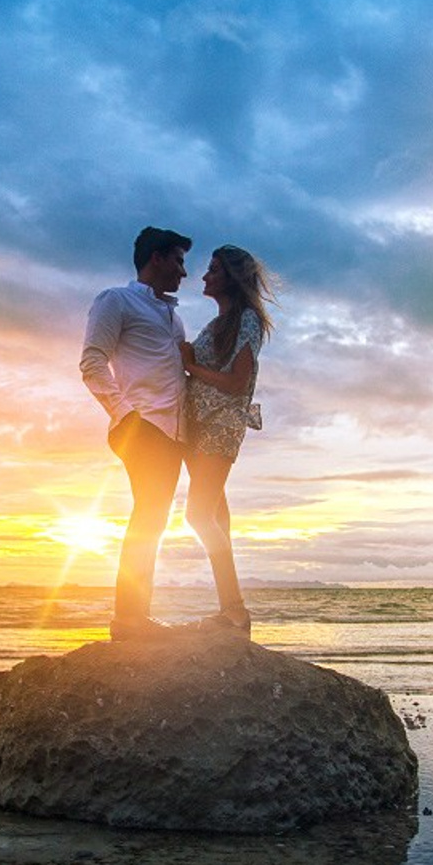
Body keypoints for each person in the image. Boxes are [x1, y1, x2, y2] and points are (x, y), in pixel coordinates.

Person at [80, 226, 192, 641]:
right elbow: (92, 362)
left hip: (174, 433)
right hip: (142, 426)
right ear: (157, 258)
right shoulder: (116, 300)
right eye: (178, 261)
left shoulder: (173, 317)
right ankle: (128, 621)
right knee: (148, 516)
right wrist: (125, 415)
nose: (184, 271)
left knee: (153, 519)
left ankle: (135, 618)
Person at [179, 245, 274, 636]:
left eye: (213, 270)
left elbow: (237, 384)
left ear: (231, 278)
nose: (204, 277)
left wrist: (191, 366)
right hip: (200, 426)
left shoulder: (247, 320)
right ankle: (231, 613)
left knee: (198, 515)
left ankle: (235, 610)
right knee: (217, 519)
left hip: (220, 425)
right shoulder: (219, 323)